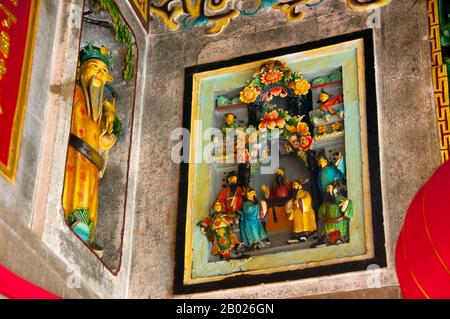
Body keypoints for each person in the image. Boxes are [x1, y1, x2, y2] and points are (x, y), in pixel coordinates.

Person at [62, 44, 118, 256]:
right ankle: (71, 221)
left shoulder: (99, 110)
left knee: (89, 193)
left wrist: (105, 140)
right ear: (80, 69)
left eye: (103, 71)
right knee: (73, 186)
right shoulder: (73, 93)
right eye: (94, 67)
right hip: (73, 156)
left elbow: (100, 143)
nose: (99, 74)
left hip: (91, 162)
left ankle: (87, 231)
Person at [285, 179, 317, 243]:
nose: (293, 186)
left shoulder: (305, 193)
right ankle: (298, 235)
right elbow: (291, 208)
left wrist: (299, 201)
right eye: (293, 185)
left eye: (295, 185)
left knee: (304, 224)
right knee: (297, 226)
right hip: (297, 215)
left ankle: (305, 234)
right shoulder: (294, 197)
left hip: (305, 213)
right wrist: (288, 207)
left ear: (300, 186)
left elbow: (308, 200)